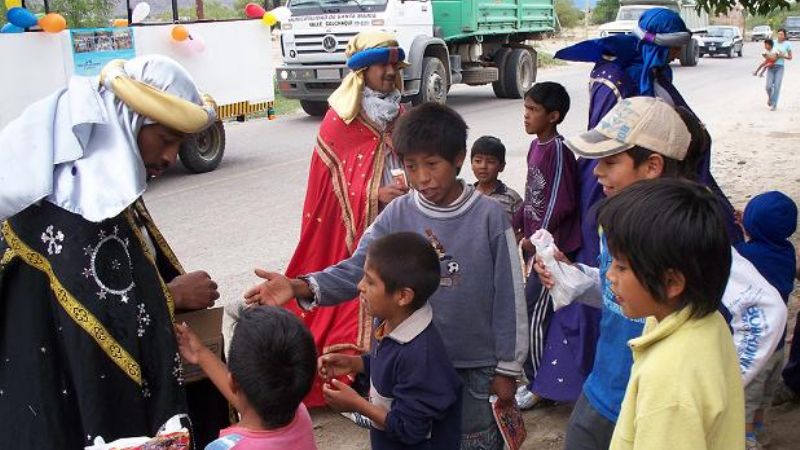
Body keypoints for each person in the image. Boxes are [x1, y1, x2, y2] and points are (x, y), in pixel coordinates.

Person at [244, 103, 528, 449]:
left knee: (473, 442)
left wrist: (508, 369)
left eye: (432, 164)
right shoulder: (397, 214)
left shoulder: (489, 217)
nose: (422, 177)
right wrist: (299, 285)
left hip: (474, 367)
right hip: (413, 371)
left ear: (458, 158)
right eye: (411, 167)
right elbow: (358, 268)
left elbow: (510, 296)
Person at [0, 56, 228, 447]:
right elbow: (97, 314)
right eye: (166, 139)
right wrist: (170, 295)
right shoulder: (76, 205)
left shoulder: (98, 181)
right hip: (61, 397)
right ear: (129, 121)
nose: (172, 157)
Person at [538, 96, 786, 450]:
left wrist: (724, 384)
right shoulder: (618, 221)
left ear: (652, 165)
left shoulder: (682, 237)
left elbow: (764, 311)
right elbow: (618, 293)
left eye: (610, 161)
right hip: (602, 389)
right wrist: (576, 278)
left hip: (653, 402)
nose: (596, 172)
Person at [247, 31, 411, 407]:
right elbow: (327, 192)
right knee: (358, 283)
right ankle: (351, 373)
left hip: (400, 223)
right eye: (381, 65)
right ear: (361, 71)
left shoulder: (401, 113)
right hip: (357, 232)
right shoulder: (338, 122)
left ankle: (392, 373)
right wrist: (373, 195)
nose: (390, 71)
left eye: (393, 64)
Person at [598, 178, 744, 450]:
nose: (609, 275)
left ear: (671, 283)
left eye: (621, 267)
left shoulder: (669, 381)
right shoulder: (708, 321)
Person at [318, 232, 462, 450]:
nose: (360, 286)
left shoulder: (420, 355)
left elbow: (410, 429)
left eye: (370, 281)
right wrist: (356, 364)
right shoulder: (387, 321)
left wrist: (357, 404)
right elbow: (390, 366)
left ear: (403, 296)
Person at [511, 82, 591, 409]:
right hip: (538, 248)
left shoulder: (557, 150)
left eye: (533, 110)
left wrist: (536, 237)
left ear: (553, 116)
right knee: (531, 311)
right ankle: (536, 378)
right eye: (525, 109)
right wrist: (516, 221)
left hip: (552, 252)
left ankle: (537, 384)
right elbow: (533, 194)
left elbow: (560, 202)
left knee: (535, 313)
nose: (526, 116)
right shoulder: (536, 147)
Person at [176, 306, 318, 450]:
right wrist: (200, 353)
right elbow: (252, 400)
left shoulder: (224, 447)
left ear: (232, 382)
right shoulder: (299, 413)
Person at [734, 191, 798, 449]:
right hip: (778, 346)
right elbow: (765, 241)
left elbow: (732, 257)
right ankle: (761, 432)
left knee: (745, 400)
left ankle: (747, 441)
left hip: (755, 349)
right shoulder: (786, 251)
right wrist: (751, 226)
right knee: (763, 398)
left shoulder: (746, 256)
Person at [470, 136, 522, 221]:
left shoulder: (511, 198)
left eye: (491, 162)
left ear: (501, 166)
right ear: (471, 164)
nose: (483, 166)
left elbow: (521, 229)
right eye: (478, 161)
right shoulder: (467, 195)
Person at [766, 28, 793, 111]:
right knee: (768, 87)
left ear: (785, 36)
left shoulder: (787, 44)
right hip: (770, 66)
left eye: (781, 34)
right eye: (778, 34)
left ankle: (774, 104)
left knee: (777, 87)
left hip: (780, 67)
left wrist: (783, 56)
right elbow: (767, 52)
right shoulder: (773, 43)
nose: (779, 36)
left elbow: (790, 57)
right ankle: (770, 98)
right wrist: (768, 55)